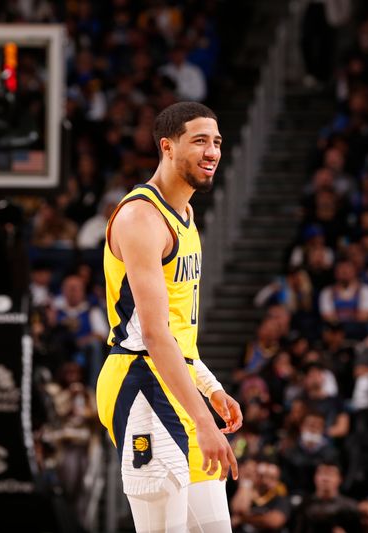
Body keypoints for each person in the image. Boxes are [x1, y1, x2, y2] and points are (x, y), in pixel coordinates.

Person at [96, 102, 242, 532]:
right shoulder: (142, 217)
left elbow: (178, 331)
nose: (212, 151)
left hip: (176, 382)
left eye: (216, 142)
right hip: (140, 383)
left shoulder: (187, 215)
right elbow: (155, 336)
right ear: (167, 147)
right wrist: (204, 421)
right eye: (199, 141)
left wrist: (211, 389)